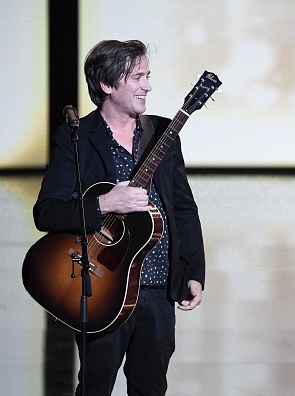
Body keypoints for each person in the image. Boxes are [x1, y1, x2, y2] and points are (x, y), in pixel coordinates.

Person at [33, 39, 206, 395]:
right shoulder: (76, 137)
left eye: (148, 75)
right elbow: (47, 212)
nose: (148, 85)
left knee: (151, 387)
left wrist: (193, 272)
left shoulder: (162, 134)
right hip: (102, 288)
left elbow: (184, 209)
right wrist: (106, 204)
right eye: (138, 77)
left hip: (158, 289)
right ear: (107, 86)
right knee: (96, 386)